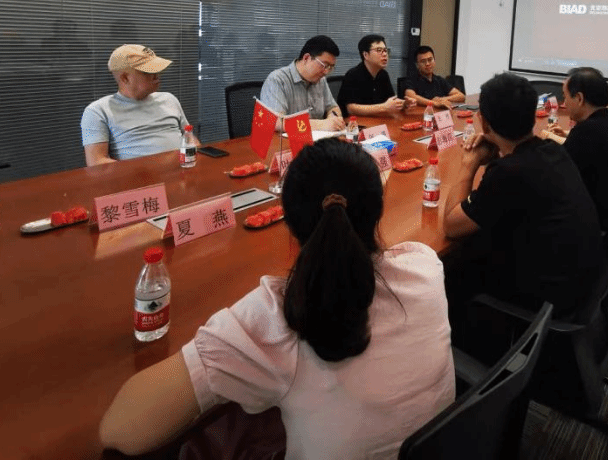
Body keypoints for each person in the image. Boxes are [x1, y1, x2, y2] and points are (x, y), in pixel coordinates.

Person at [99, 138, 455, 459]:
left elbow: (120, 429)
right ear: (379, 207)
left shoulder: (278, 319)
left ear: (289, 220)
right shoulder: (424, 265)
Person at [441, 72, 603, 326]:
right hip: (579, 288)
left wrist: (469, 164)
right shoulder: (553, 150)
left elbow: (451, 225)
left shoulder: (509, 173)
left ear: (484, 123)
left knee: (448, 269)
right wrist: (498, 153)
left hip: (544, 305)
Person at [540, 67, 608, 233]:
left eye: (565, 96)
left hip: (606, 228)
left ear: (579, 98)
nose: (564, 103)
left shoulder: (587, 132)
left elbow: (558, 181)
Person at [81, 44, 198, 166]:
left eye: (156, 69)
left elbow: (189, 137)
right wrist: (149, 170)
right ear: (125, 78)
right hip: (139, 176)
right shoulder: (98, 111)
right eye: (147, 72)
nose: (156, 75)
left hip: (183, 169)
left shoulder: (169, 99)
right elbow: (96, 162)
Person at [259, 35, 345, 132]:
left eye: (331, 67)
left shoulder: (320, 80)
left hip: (318, 139)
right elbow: (276, 122)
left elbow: (333, 107)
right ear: (306, 58)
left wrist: (332, 119)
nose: (326, 72)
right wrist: (321, 124)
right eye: (324, 65)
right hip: (287, 140)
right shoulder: (277, 80)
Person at [336, 34, 409, 118]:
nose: (385, 54)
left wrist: (404, 104)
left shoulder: (383, 74)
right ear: (366, 55)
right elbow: (350, 109)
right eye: (379, 50)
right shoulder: (353, 75)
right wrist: (384, 107)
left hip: (377, 119)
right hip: (356, 122)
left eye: (385, 50)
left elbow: (390, 101)